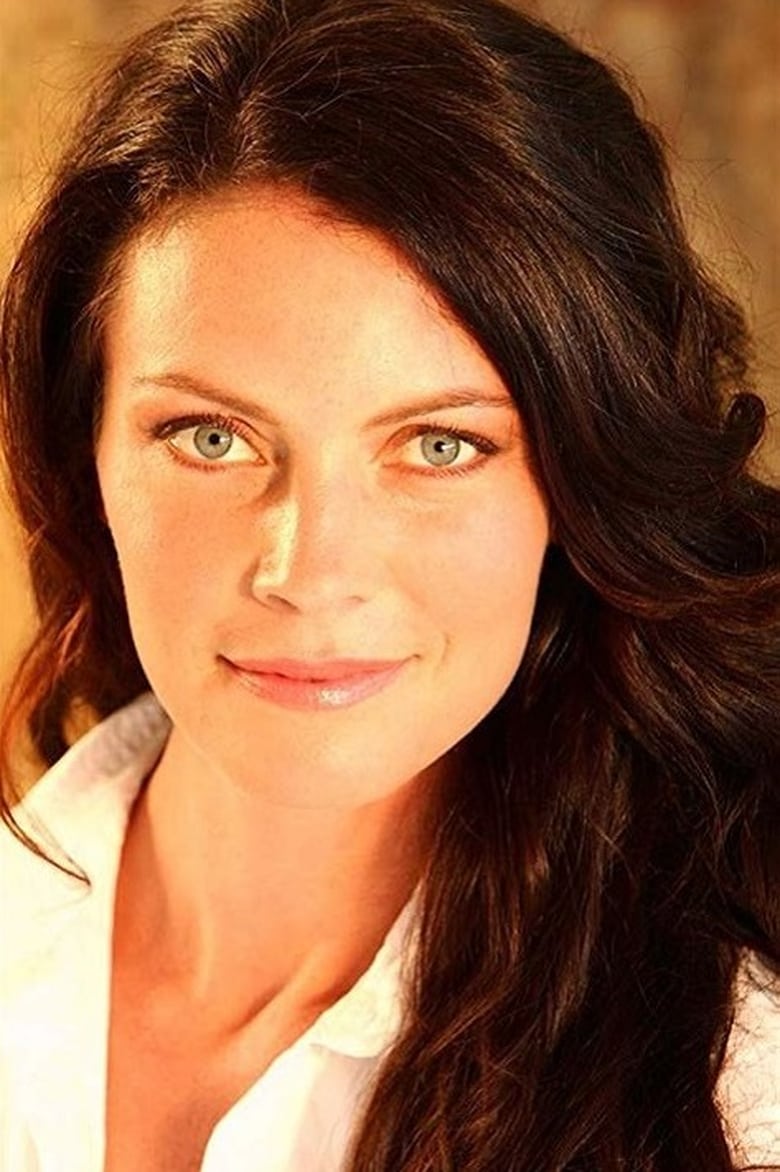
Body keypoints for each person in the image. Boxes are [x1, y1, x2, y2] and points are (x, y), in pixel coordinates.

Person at [0, 0, 777, 1168]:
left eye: (439, 445)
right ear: (86, 455)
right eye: (212, 436)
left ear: (578, 480)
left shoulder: (739, 1091)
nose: (309, 573)